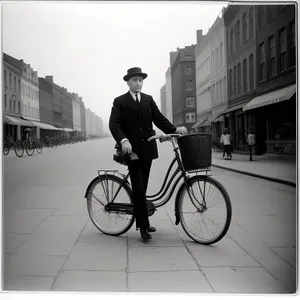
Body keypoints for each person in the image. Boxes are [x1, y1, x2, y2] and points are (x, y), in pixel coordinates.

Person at [109, 67, 187, 241]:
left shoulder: (148, 100)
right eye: (135, 80)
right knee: (137, 185)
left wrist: (174, 129)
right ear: (128, 82)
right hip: (131, 150)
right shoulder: (120, 101)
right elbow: (114, 124)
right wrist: (124, 141)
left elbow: (159, 119)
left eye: (140, 80)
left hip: (148, 149)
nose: (138, 83)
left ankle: (142, 217)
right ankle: (143, 226)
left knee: (143, 186)